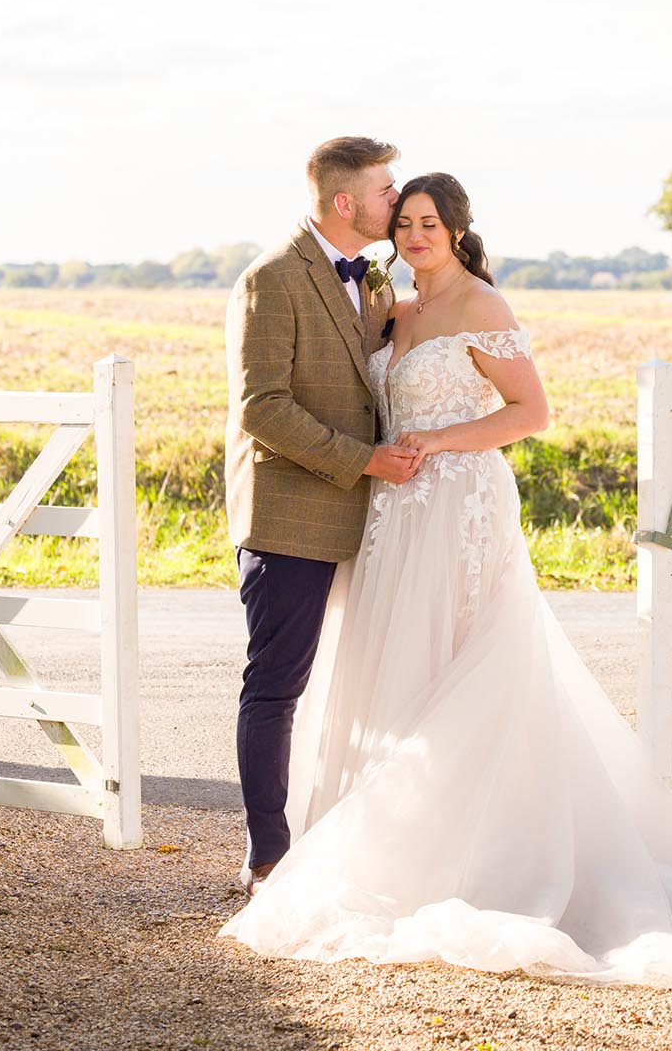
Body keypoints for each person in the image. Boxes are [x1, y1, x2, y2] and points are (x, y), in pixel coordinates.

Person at [221, 171, 672, 988]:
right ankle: (396, 845)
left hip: (459, 504)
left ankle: (489, 862)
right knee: (401, 672)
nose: (413, 236)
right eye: (403, 222)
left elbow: (530, 414)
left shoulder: (484, 307)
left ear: (459, 230)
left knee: (473, 671)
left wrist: (438, 445)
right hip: (395, 512)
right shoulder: (394, 308)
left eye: (429, 223)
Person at [223, 136, 422, 894]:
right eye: (385, 191)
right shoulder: (271, 278)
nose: (395, 203)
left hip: (376, 518)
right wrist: (364, 459)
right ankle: (267, 853)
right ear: (346, 203)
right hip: (293, 513)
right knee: (277, 685)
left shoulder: (371, 277)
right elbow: (262, 408)